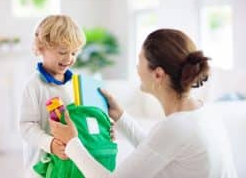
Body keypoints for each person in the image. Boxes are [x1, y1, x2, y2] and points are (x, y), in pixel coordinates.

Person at [49, 29, 238, 178]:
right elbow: (157, 150)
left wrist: (71, 142)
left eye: (139, 60)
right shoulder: (203, 113)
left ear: (158, 74)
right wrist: (120, 117)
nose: (136, 67)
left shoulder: (175, 127)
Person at [19, 15, 86, 178]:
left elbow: (84, 118)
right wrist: (50, 144)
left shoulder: (76, 83)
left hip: (70, 165)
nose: (69, 58)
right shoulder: (34, 85)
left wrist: (104, 128)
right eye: (63, 52)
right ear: (41, 48)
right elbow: (26, 127)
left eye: (74, 52)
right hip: (41, 167)